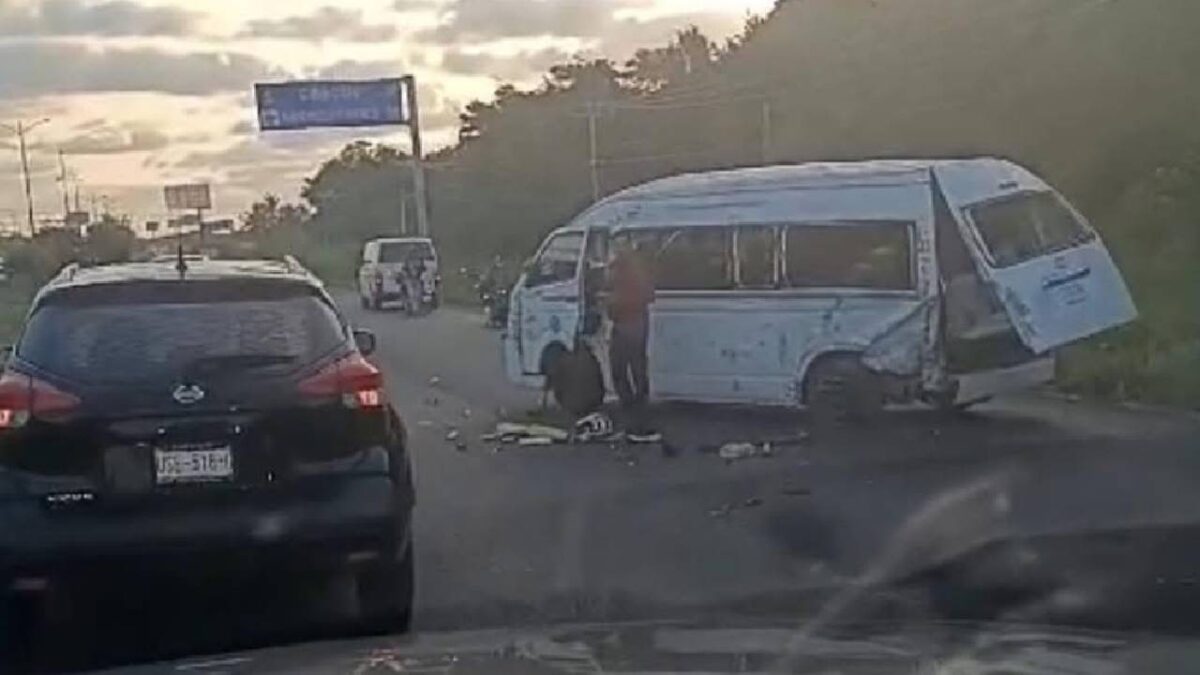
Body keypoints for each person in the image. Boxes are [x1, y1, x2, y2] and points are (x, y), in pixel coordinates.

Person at [607, 240, 660, 442]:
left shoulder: (621, 271)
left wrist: (612, 303)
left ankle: (632, 410)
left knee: (619, 370)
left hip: (625, 325)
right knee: (637, 369)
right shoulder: (639, 269)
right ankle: (639, 409)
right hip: (638, 323)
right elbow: (649, 295)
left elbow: (618, 297)